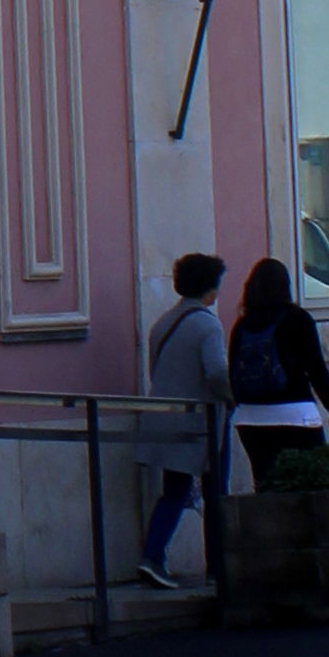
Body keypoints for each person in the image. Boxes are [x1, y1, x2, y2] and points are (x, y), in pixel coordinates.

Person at [138, 252, 233, 589]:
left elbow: (155, 370)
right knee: (217, 493)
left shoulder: (163, 323)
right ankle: (218, 566)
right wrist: (230, 396)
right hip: (204, 423)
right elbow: (218, 372)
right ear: (210, 288)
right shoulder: (208, 324)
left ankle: (153, 555)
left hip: (166, 419)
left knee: (174, 492)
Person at [225, 255, 329, 481]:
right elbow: (316, 369)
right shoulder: (298, 319)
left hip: (250, 419)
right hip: (296, 414)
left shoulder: (242, 326)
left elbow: (233, 373)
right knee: (311, 489)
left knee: (266, 487)